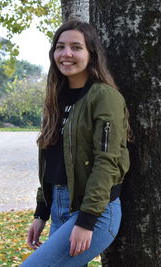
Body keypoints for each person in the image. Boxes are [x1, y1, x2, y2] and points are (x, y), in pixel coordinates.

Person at [21, 20, 130, 267]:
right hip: (60, 207)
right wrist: (41, 213)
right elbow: (53, 161)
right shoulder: (55, 98)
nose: (66, 53)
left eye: (76, 47)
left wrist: (86, 221)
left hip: (96, 212)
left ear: (91, 55)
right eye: (60, 47)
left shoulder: (104, 97)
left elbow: (107, 162)